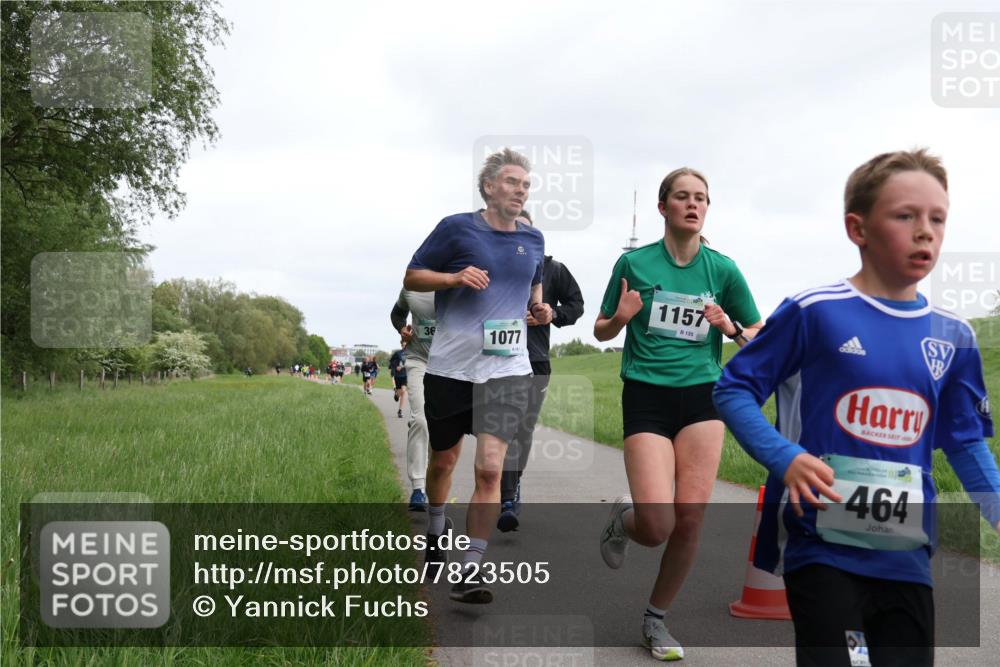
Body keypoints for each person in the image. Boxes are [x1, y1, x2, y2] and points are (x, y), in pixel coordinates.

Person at [714, 148, 999, 667]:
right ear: (857, 228)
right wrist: (784, 456)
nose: (925, 231)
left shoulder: (954, 336)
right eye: (905, 215)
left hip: (906, 554)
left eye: (938, 218)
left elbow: (963, 440)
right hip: (823, 546)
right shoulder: (815, 312)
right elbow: (733, 389)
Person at [595, 167, 763, 661]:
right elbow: (602, 328)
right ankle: (622, 522)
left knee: (689, 519)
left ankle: (656, 620)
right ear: (663, 206)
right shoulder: (635, 263)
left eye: (702, 198)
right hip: (647, 396)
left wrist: (730, 326)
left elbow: (758, 335)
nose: (694, 205)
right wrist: (621, 318)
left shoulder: (723, 270)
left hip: (703, 398)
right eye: (683, 197)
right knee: (657, 524)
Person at [404, 147, 548, 604]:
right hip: (450, 367)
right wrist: (452, 280)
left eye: (525, 185)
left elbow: (530, 289)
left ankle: (470, 568)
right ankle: (434, 526)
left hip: (507, 369)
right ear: (488, 187)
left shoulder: (535, 239)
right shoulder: (455, 228)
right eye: (511, 182)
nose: (519, 190)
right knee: (444, 461)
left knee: (489, 469)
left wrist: (539, 310)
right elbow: (412, 276)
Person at [497, 208, 585, 532]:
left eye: (525, 230)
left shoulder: (553, 270)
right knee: (500, 428)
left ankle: (511, 488)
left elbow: (577, 305)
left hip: (536, 359)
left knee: (523, 429)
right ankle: (504, 493)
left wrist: (552, 314)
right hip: (496, 359)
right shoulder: (490, 266)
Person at [391, 288, 437, 512]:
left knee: (442, 426)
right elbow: (397, 313)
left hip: (451, 364)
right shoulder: (412, 285)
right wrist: (402, 328)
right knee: (420, 420)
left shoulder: (460, 279)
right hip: (418, 360)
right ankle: (418, 488)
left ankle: (437, 482)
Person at [390, 343, 409, 418]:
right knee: (399, 392)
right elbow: (391, 361)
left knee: (403, 391)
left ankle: (400, 410)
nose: (405, 346)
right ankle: (396, 394)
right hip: (398, 376)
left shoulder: (410, 354)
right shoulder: (397, 353)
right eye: (404, 345)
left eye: (406, 345)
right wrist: (396, 366)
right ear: (401, 345)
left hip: (406, 375)